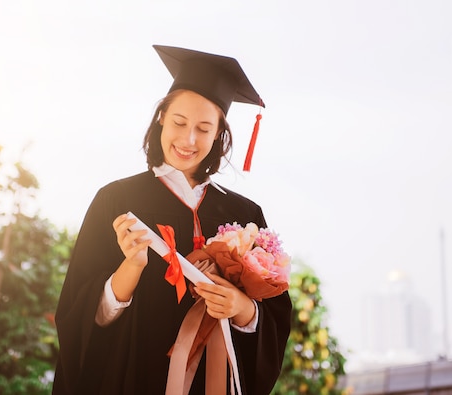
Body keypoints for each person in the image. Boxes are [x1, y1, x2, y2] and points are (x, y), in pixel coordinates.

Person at [52, 45, 292, 395]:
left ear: (219, 135)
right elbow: (81, 320)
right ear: (161, 116)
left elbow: (273, 320)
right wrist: (130, 268)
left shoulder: (245, 215)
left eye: (204, 128)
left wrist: (242, 309)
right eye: (179, 122)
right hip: (133, 380)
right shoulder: (116, 201)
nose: (188, 139)